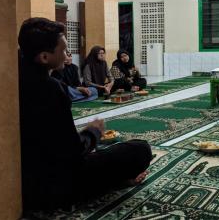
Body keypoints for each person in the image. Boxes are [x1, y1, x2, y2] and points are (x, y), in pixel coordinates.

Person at [19, 18, 152, 211]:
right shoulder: (50, 89)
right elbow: (72, 154)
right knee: (140, 149)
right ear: (44, 57)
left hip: (24, 179)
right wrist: (93, 133)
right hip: (56, 185)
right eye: (63, 50)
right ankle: (115, 181)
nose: (67, 56)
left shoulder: (13, 79)